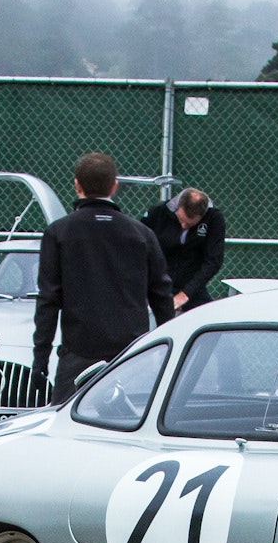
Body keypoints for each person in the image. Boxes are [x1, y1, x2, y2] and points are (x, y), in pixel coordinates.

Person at [33, 151, 175, 400]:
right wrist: (168, 351)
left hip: (78, 353)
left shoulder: (59, 233)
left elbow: (48, 300)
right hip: (131, 355)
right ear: (114, 186)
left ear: (77, 185)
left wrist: (40, 361)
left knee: (65, 429)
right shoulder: (141, 234)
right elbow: (162, 296)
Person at [140, 187, 227, 310]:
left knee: (208, 314)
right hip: (159, 283)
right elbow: (140, 248)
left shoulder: (214, 218)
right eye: (181, 220)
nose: (183, 226)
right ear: (177, 207)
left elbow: (214, 261)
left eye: (190, 224)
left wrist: (185, 294)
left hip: (193, 287)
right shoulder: (158, 212)